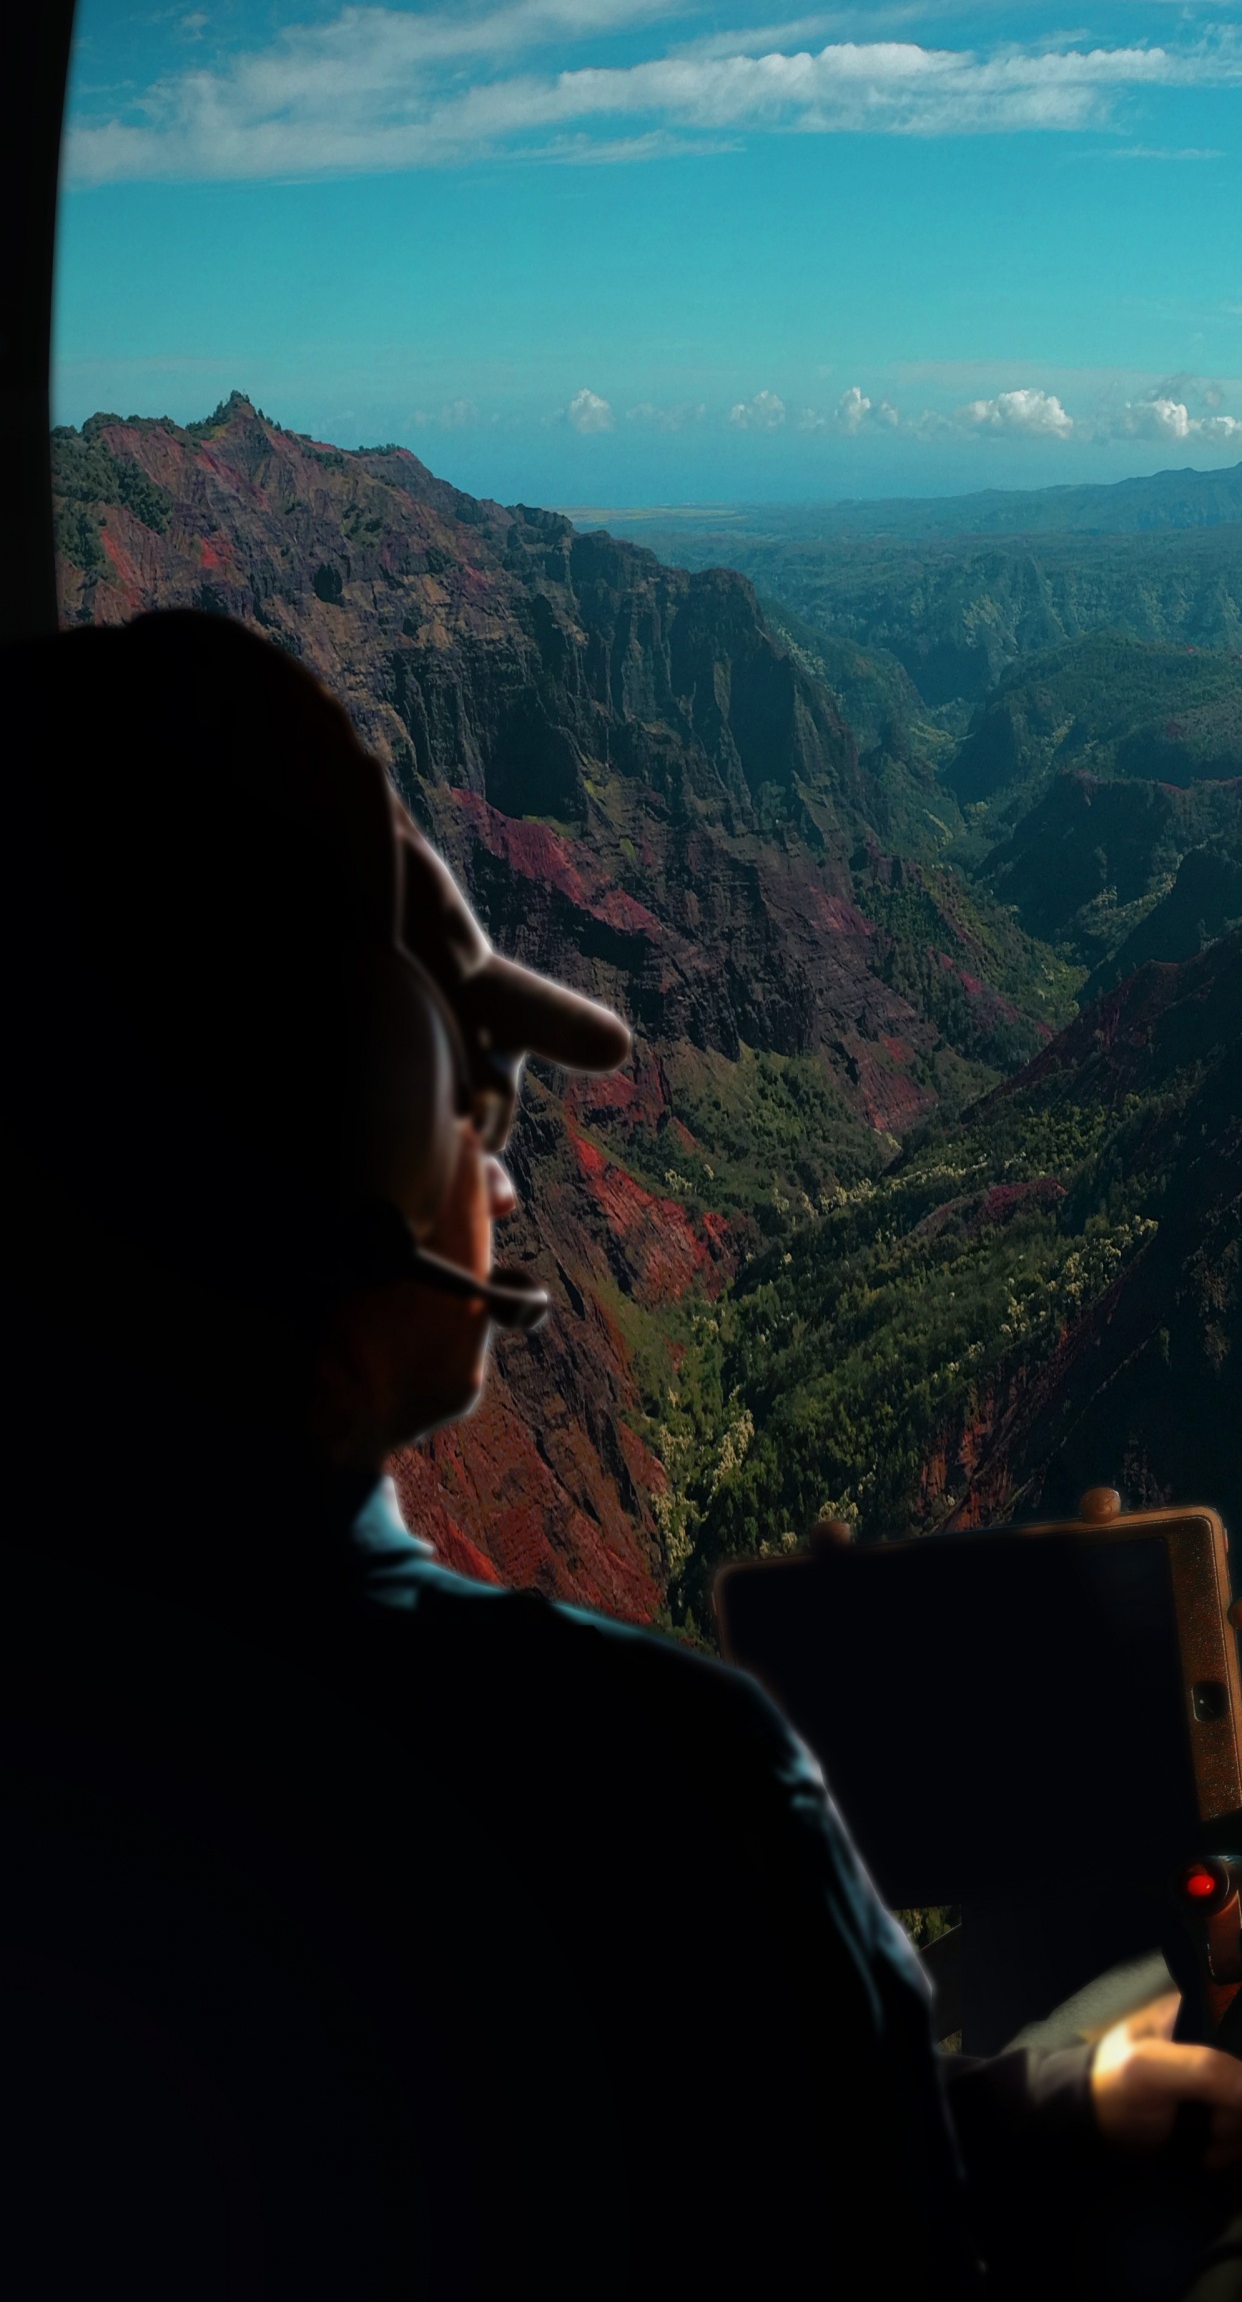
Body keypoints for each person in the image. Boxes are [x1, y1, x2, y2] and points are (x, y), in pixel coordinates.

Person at [0, 609, 1239, 2302]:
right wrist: (1107, 2161)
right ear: (363, 1111)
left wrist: (1052, 2105)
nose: (509, 1159)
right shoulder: (647, 1790)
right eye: (475, 1084)